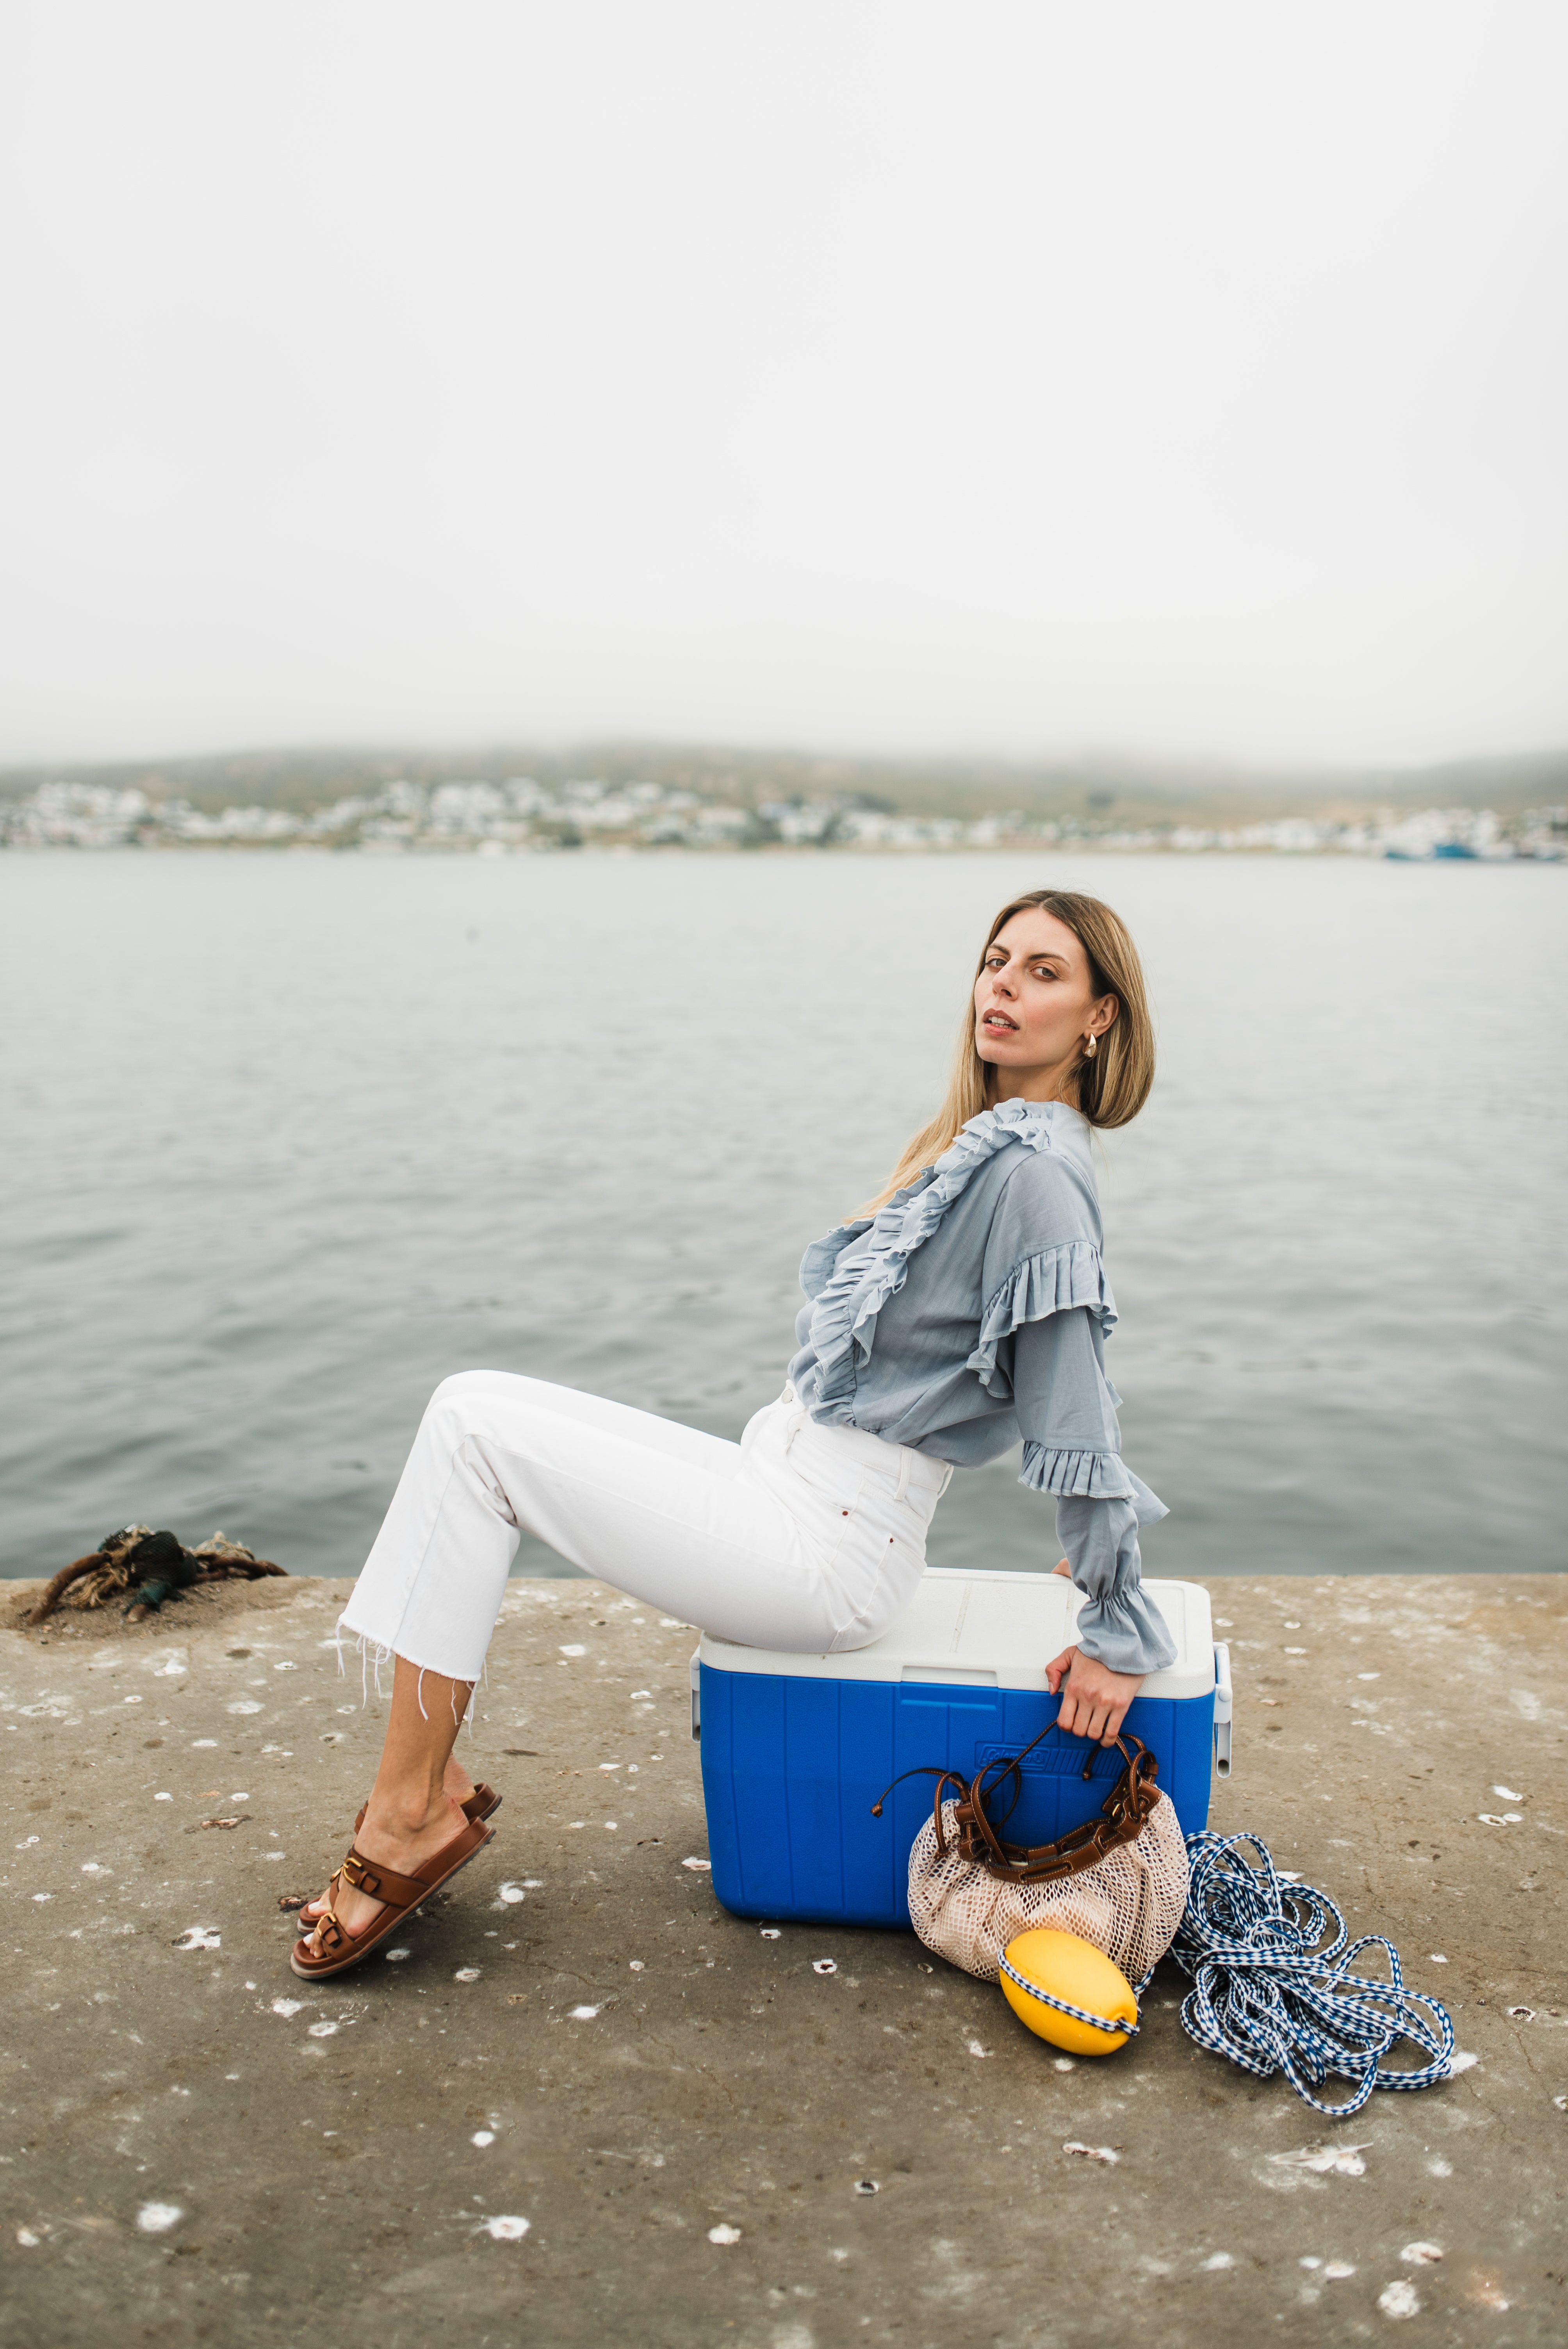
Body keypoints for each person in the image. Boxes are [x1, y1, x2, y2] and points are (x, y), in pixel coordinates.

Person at [290, 888, 1175, 1980]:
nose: (1004, 985)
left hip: (831, 1542)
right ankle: (416, 1798)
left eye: (1046, 971)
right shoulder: (984, 1149)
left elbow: (1076, 1394)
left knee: (475, 1429)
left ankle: (407, 1813)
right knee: (468, 1411)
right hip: (792, 1484)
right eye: (997, 960)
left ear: (1100, 1017)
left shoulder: (1037, 1177)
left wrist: (1114, 1612)